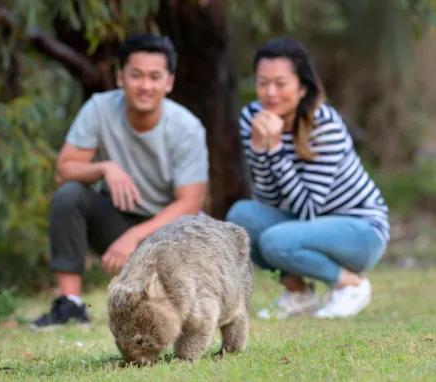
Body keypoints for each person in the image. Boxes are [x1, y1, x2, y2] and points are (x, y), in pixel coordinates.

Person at [32, 34, 209, 329]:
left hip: (172, 232)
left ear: (169, 82)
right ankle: (71, 306)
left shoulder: (186, 128)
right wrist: (104, 167)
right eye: (136, 75)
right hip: (115, 221)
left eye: (155, 77)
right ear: (120, 78)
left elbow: (190, 203)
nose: (145, 86)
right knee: (70, 195)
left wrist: (135, 237)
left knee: (178, 301)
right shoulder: (100, 109)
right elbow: (65, 168)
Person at [226, 36, 389, 319]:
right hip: (306, 227)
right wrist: (259, 150)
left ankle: (350, 284)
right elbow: (267, 200)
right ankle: (299, 293)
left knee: (276, 240)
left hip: (361, 231)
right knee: (242, 218)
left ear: (302, 87)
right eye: (262, 82)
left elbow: (307, 209)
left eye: (280, 83)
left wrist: (275, 149)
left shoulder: (323, 125)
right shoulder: (253, 117)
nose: (269, 93)